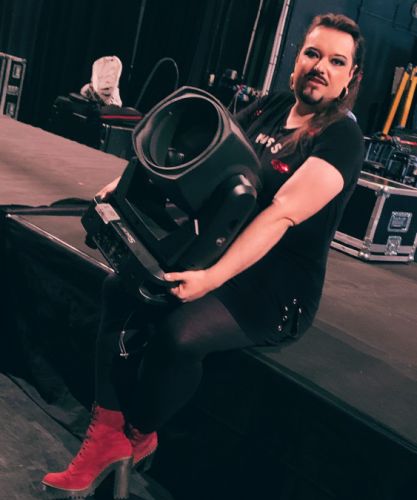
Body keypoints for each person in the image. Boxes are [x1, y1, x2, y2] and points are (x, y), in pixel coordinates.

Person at [42, 12, 365, 499]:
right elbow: (201, 159)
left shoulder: (342, 138)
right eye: (313, 54)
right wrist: (122, 186)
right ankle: (106, 438)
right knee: (118, 288)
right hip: (224, 251)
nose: (321, 67)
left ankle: (137, 435)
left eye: (336, 61)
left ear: (350, 78)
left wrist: (211, 279)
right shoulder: (273, 106)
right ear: (297, 58)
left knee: (179, 335)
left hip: (277, 288)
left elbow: (280, 214)